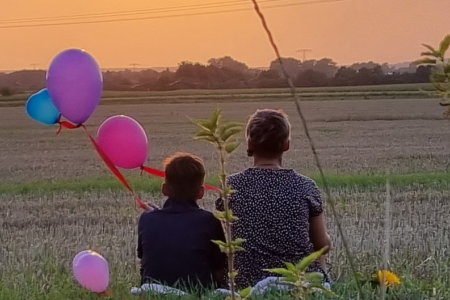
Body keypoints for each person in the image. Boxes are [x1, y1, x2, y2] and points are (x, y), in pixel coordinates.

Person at [216, 109, 332, 290]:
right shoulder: (305, 186)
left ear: (249, 144)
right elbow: (322, 245)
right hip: (298, 279)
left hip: (245, 282)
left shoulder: (230, 184)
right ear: (286, 145)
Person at [137, 152, 227, 292]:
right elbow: (219, 266)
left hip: (154, 292)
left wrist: (155, 215)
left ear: (164, 189)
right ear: (201, 192)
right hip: (198, 293)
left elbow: (144, 260)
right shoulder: (209, 221)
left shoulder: (147, 219)